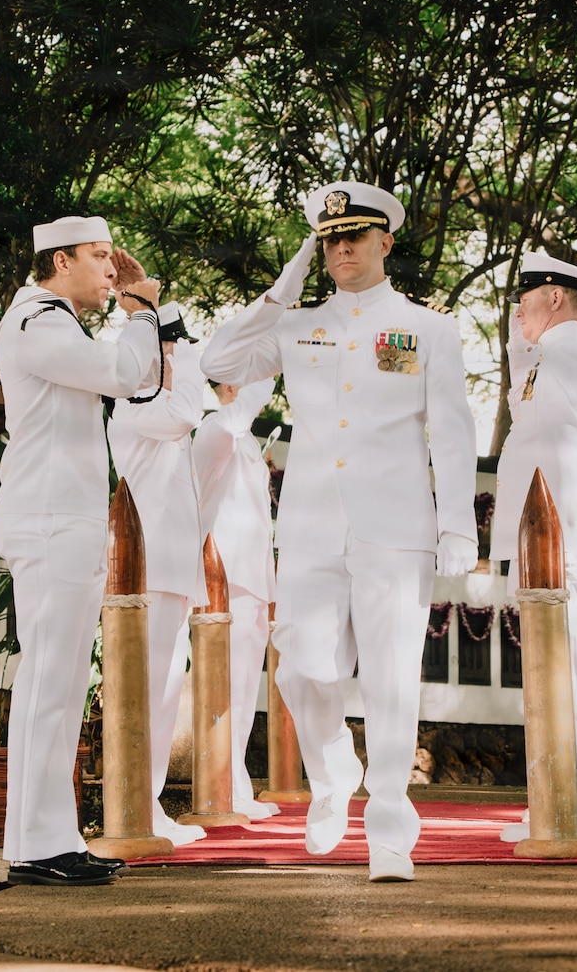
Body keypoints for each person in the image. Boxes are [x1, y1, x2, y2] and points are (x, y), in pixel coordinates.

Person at [200, 180, 478, 883]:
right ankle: (333, 770)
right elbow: (218, 364)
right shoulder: (297, 328)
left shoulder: (427, 330)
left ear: (386, 241)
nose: (342, 247)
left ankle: (389, 828)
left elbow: (451, 431)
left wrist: (457, 527)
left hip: (396, 528)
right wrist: (283, 285)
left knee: (390, 680)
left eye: (355, 235)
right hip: (313, 525)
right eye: (329, 239)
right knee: (300, 667)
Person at [0, 214, 162, 886]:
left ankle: (46, 837)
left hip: (67, 520)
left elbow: (133, 375)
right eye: (97, 256)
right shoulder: (39, 320)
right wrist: (142, 303)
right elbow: (128, 371)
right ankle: (37, 843)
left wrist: (133, 306)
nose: (110, 267)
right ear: (58, 263)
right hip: (53, 521)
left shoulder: (53, 319)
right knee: (49, 684)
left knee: (57, 684)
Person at [490, 253, 577, 849]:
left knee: (576, 677)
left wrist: (548, 545)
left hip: (561, 539)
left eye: (526, 297)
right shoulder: (555, 354)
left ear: (556, 299)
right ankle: (561, 802)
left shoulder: (564, 355)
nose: (517, 308)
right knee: (555, 676)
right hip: (555, 538)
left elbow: (560, 455)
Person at [105, 301, 209, 846]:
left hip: (170, 567)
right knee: (147, 690)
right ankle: (135, 806)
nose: (171, 353)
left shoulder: (154, 403)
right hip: (147, 569)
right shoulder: (134, 407)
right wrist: (180, 351)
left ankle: (146, 804)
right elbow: (189, 411)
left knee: (164, 688)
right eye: (163, 347)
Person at [191, 375, 281, 821]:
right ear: (227, 384)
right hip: (225, 579)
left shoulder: (243, 438)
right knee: (228, 688)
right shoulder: (215, 429)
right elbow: (231, 425)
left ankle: (234, 783)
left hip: (252, 578)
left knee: (245, 690)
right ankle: (225, 788)